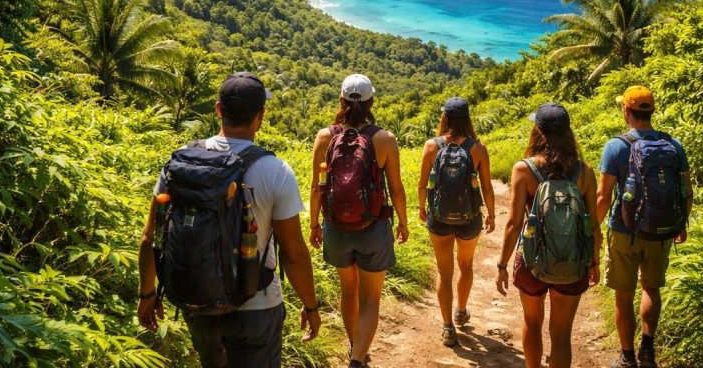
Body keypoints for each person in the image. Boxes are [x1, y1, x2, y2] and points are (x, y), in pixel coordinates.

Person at [137, 72, 321, 367]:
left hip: (198, 300)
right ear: (261, 115)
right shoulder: (276, 171)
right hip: (257, 306)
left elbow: (151, 237)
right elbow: (294, 254)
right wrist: (311, 307)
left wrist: (147, 293)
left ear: (218, 110)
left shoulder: (181, 161)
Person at [309, 74, 408, 368]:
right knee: (370, 298)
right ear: (371, 101)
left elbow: (317, 187)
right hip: (373, 226)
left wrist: (314, 224)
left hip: (336, 226)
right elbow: (396, 188)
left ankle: (356, 346)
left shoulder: (325, 137)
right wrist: (403, 222)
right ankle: (357, 358)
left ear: (340, 99)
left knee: (348, 290)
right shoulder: (384, 139)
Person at [496, 102, 601, 368]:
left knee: (532, 323)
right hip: (573, 260)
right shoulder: (585, 172)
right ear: (568, 132)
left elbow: (512, 223)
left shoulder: (524, 169)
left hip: (532, 260)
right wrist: (594, 261)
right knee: (562, 333)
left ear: (537, 131)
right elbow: (593, 225)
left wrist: (502, 265)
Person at [598, 86, 692, 368]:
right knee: (651, 288)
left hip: (623, 231)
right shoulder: (673, 145)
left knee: (623, 294)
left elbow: (604, 196)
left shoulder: (615, 146)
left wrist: (591, 230)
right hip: (661, 231)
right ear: (651, 111)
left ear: (627, 111)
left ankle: (627, 358)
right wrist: (680, 224)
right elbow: (687, 191)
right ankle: (648, 351)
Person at [418, 96, 496, 347]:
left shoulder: (432, 146)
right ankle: (461, 311)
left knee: (444, 271)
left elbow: (422, 184)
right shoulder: (478, 148)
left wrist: (422, 208)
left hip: (439, 218)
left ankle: (447, 327)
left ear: (445, 118)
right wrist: (492, 214)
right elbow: (486, 187)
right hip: (469, 219)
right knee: (466, 265)